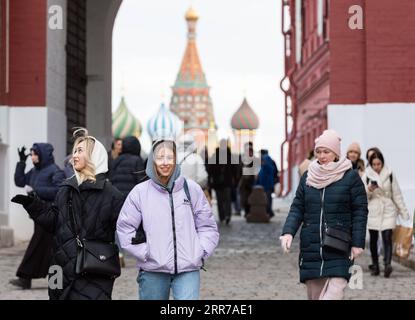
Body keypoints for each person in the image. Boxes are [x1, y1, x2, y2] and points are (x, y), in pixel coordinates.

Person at [11, 130, 125, 299]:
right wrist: (33, 205)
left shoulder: (112, 195)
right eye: (74, 151)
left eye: (80, 151)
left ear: (95, 156)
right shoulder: (66, 188)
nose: (74, 155)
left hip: (94, 269)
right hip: (58, 268)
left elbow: (127, 229)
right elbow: (55, 221)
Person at [117, 139, 219, 300]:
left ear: (176, 160)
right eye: (160, 157)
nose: (165, 163)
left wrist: (200, 251)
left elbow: (207, 226)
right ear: (152, 160)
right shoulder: (140, 192)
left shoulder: (191, 189)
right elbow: (125, 228)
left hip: (188, 269)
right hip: (153, 270)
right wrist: (145, 252)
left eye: (170, 157)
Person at [279, 129, 368, 300]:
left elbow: (360, 211)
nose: (321, 155)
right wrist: (288, 232)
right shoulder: (308, 177)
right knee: (315, 297)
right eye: (318, 151)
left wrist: (357, 242)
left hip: (339, 245)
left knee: (332, 295)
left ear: (335, 153)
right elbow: (297, 207)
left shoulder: (350, 177)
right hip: (311, 247)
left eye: (326, 151)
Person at [10, 143, 65, 289]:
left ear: (43, 155)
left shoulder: (55, 171)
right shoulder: (35, 171)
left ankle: (24, 277)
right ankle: (55, 280)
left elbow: (59, 190)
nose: (33, 157)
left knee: (38, 246)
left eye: (35, 154)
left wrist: (36, 190)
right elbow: (20, 181)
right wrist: (22, 162)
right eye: (32, 154)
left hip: (49, 214)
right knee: (51, 249)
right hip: (38, 215)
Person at [362, 150, 410, 277]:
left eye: (379, 164)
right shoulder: (367, 175)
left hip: (388, 209)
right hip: (373, 209)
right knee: (373, 239)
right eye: (374, 164)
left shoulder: (390, 174)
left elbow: (397, 194)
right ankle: (375, 265)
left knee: (387, 237)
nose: (377, 167)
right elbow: (360, 194)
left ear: (382, 163)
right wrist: (369, 189)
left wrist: (403, 212)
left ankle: (387, 264)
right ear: (371, 164)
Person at [108, 135, 146, 267]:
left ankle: (119, 253)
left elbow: (111, 178)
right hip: (132, 199)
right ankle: (140, 251)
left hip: (117, 199)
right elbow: (142, 181)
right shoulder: (137, 160)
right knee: (137, 226)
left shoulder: (117, 160)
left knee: (119, 227)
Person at [207, 139, 238, 225]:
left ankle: (223, 217)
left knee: (220, 201)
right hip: (226, 182)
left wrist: (210, 181)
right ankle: (227, 215)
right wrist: (235, 180)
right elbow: (235, 170)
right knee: (226, 200)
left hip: (218, 183)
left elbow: (209, 170)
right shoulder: (229, 156)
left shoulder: (215, 156)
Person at [238, 142, 258, 217]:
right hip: (244, 183)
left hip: (251, 182)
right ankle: (247, 212)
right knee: (245, 199)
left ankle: (249, 212)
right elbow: (239, 170)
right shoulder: (242, 159)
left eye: (250, 150)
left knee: (250, 198)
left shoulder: (254, 160)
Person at [257, 150, 277, 218]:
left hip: (267, 186)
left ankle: (269, 213)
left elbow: (268, 175)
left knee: (267, 200)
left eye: (262, 161)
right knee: (267, 200)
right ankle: (268, 213)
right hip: (265, 186)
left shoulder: (267, 166)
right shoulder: (263, 167)